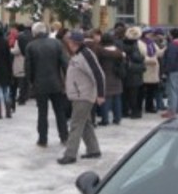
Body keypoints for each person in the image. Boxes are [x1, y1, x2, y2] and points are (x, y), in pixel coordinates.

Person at [57, 31, 105, 165]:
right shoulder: (78, 54)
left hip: (83, 95)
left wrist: (100, 94)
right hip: (79, 94)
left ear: (75, 43)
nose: (68, 44)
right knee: (85, 124)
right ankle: (93, 150)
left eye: (69, 41)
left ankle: (70, 154)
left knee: (76, 124)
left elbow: (99, 74)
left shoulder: (86, 55)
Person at [25, 22, 69, 147]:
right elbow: (65, 63)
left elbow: (28, 68)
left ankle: (42, 139)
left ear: (34, 32)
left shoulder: (31, 46)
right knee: (60, 111)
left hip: (40, 84)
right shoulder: (56, 43)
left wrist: (31, 82)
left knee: (42, 113)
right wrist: (66, 79)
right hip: (56, 83)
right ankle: (64, 136)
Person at [97, 33, 125, 126]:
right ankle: (117, 118)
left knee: (106, 98)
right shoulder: (118, 51)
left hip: (105, 76)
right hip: (117, 77)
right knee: (117, 98)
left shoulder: (101, 51)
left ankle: (105, 119)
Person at [162, 28, 178, 119]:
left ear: (172, 35)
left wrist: (166, 70)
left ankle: (172, 110)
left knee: (172, 91)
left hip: (172, 70)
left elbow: (170, 59)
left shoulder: (173, 45)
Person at [122, 26, 145, 119]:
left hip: (127, 73)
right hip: (135, 73)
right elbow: (139, 57)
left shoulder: (123, 45)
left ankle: (126, 111)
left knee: (126, 94)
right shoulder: (136, 46)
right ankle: (135, 112)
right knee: (134, 95)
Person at [138, 28, 164, 114]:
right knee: (142, 90)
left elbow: (158, 53)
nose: (151, 35)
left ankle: (150, 107)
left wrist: (163, 50)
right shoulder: (140, 42)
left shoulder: (151, 43)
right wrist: (150, 59)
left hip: (153, 69)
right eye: (149, 34)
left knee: (151, 90)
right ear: (145, 34)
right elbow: (141, 54)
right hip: (146, 68)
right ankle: (139, 106)